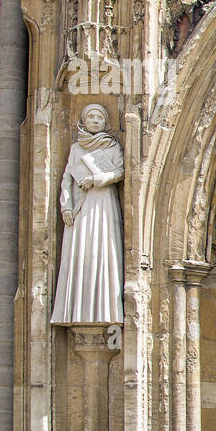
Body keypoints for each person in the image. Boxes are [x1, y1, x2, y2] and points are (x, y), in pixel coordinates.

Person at [52, 103, 124, 325]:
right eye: (90, 116)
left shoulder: (112, 147)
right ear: (83, 121)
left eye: (99, 117)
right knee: (82, 250)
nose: (94, 120)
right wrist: (66, 205)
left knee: (102, 250)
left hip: (102, 201)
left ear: (106, 122)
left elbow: (120, 171)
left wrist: (96, 180)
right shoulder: (76, 148)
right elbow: (66, 178)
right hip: (81, 205)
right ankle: (78, 311)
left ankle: (105, 311)